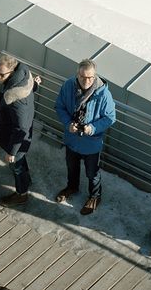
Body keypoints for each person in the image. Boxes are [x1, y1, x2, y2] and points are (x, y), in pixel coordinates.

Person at [54, 59, 116, 215]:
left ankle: (95, 196)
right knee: (71, 166)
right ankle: (72, 187)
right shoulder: (68, 86)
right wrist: (68, 123)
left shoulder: (104, 94)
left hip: (91, 142)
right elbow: (60, 106)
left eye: (90, 77)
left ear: (95, 76)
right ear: (77, 74)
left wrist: (93, 128)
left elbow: (110, 117)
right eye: (83, 77)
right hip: (72, 138)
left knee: (92, 172)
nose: (86, 80)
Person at [0, 54, 38, 206]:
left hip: (15, 139)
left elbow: (21, 128)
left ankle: (21, 194)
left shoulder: (15, 97)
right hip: (18, 136)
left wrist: (12, 152)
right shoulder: (23, 77)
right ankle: (26, 181)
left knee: (17, 165)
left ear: (12, 73)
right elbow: (30, 88)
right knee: (21, 162)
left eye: (1, 74)